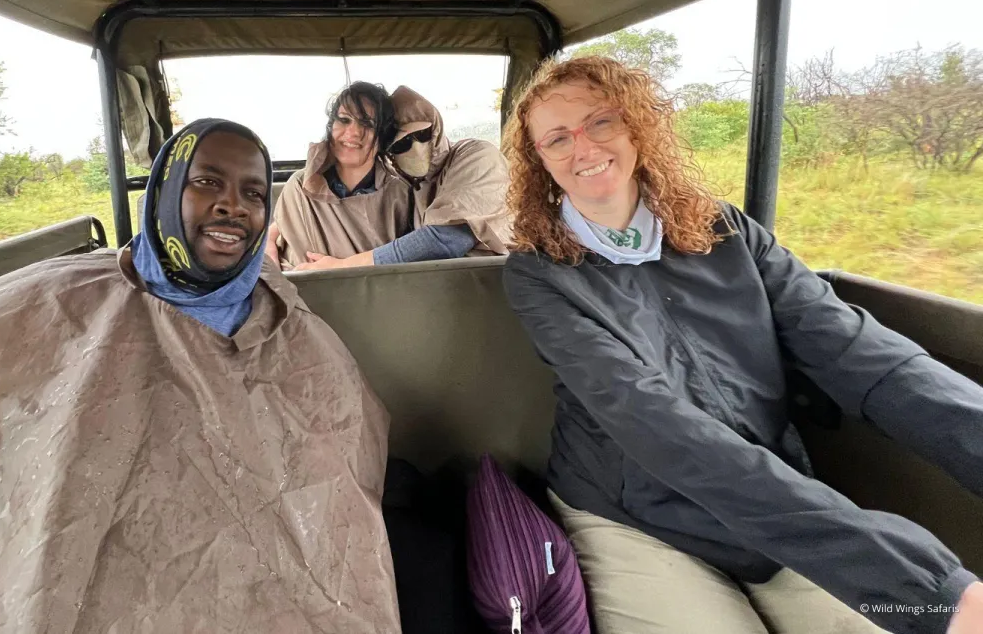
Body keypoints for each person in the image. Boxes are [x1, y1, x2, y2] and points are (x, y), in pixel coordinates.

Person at [0, 119, 402, 634]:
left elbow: (344, 448)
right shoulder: (65, 299)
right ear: (164, 191)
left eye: (254, 192)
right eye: (206, 181)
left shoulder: (283, 310)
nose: (232, 205)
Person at [499, 56, 983, 634]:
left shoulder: (725, 230)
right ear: (540, 160)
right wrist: (927, 589)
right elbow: (652, 422)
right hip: (636, 511)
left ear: (635, 126)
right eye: (557, 138)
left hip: (773, 495)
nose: (583, 146)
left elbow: (861, 354)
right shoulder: (540, 273)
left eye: (601, 121)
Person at [271, 81, 412, 270]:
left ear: (383, 136)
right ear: (331, 127)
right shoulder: (299, 186)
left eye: (367, 124)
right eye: (344, 120)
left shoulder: (399, 195)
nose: (353, 132)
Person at [382, 85, 511, 260]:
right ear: (390, 154)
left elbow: (447, 240)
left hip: (500, 272)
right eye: (402, 144)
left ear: (436, 128)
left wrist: (353, 264)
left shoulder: (478, 155)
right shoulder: (409, 187)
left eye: (422, 134)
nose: (416, 147)